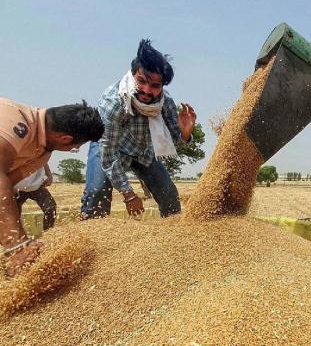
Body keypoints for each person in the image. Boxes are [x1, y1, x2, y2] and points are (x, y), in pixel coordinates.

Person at [81, 39, 197, 220]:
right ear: (133, 74)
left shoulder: (165, 102)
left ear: (163, 86)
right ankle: (89, 237)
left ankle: (174, 238)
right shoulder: (113, 102)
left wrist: (185, 133)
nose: (146, 90)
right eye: (141, 81)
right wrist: (129, 194)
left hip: (142, 152)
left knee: (169, 195)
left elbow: (174, 140)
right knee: (96, 193)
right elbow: (109, 155)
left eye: (155, 86)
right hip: (111, 148)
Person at [0, 98, 103, 277]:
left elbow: (8, 183)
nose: (74, 148)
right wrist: (17, 246)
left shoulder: (42, 154)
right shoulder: (15, 121)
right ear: (65, 139)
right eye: (76, 146)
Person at [15, 164, 57, 231]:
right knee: (13, 214)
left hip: (36, 185)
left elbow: (44, 160)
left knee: (50, 208)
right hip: (18, 187)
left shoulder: (39, 154)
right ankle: (15, 237)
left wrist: (49, 175)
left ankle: (48, 233)